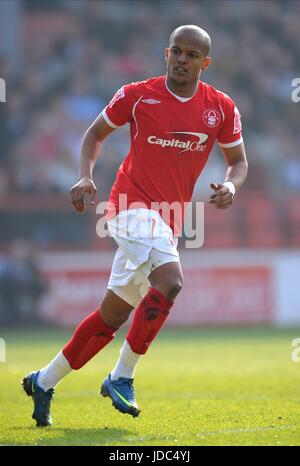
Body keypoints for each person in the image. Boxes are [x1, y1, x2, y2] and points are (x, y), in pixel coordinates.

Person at [22, 25, 248, 427]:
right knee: (171, 281)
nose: (182, 59)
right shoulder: (137, 94)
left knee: (110, 317)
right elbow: (94, 134)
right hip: (128, 206)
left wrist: (231, 184)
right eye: (176, 51)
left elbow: (239, 160)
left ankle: (43, 379)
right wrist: (85, 176)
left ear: (205, 62)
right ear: (167, 53)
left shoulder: (221, 107)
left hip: (169, 220)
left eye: (191, 55)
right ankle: (121, 377)